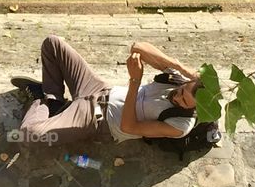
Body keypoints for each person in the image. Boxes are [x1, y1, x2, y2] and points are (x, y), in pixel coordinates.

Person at [11, 34, 201, 145]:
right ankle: (53, 101)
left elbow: (129, 127)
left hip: (96, 119)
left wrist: (135, 81)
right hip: (99, 89)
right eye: (182, 91)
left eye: (184, 102)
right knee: (52, 43)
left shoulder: (180, 125)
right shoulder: (179, 78)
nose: (178, 98)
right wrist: (178, 66)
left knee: (28, 134)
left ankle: (41, 99)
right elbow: (138, 47)